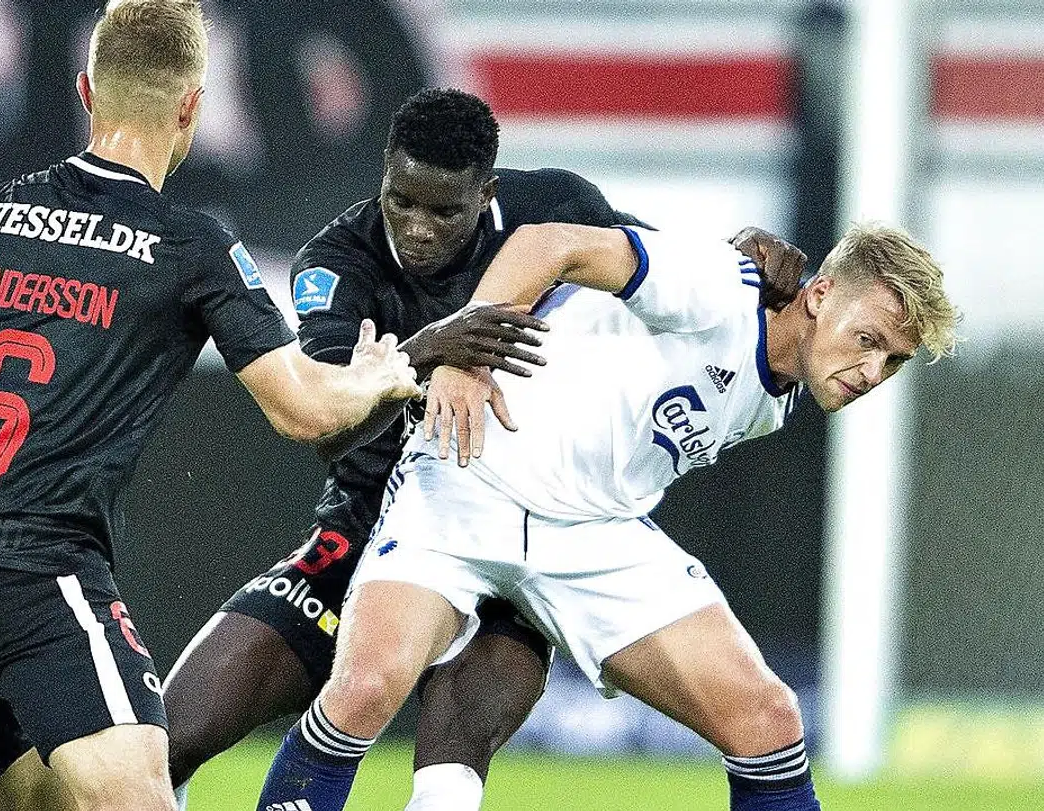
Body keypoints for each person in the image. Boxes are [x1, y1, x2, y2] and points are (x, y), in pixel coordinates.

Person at [0, 3, 419, 811]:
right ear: (193, 105)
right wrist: (378, 373)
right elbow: (303, 410)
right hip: (37, 572)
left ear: (87, 91)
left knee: (32, 807)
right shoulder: (188, 242)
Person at [160, 87, 808, 811]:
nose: (418, 228)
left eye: (444, 210)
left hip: (523, 520)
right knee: (172, 740)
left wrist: (739, 258)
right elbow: (328, 429)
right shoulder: (340, 265)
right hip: (372, 520)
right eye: (401, 200)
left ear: (488, 193)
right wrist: (426, 356)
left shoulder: (556, 206)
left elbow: (652, 271)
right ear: (383, 174)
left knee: (453, 759)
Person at [253, 219, 958, 811]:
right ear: (822, 294)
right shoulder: (719, 285)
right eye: (868, 339)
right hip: (469, 479)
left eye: (893, 361)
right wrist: (466, 354)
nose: (872, 373)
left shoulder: (779, 397)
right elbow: (544, 243)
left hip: (595, 537)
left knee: (768, 717)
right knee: (367, 686)